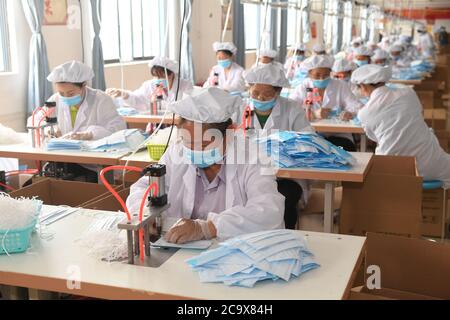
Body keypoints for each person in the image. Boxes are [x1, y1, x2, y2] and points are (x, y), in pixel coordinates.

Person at [126, 88, 285, 243]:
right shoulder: (176, 153)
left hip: (237, 252)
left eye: (203, 145)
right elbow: (144, 187)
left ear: (229, 133)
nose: (194, 151)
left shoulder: (253, 157)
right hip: (180, 251)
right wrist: (144, 214)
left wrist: (208, 228)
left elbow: (269, 210)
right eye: (188, 143)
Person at [234, 64, 314, 229]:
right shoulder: (240, 108)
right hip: (249, 175)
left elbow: (309, 140)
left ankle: (284, 240)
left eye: (267, 94)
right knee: (243, 204)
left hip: (285, 177)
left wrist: (284, 147)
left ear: (278, 92)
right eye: (255, 93)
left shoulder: (291, 109)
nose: (260, 98)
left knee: (281, 201)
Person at [351, 64, 450, 187]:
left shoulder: (364, 113)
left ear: (363, 86)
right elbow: (420, 113)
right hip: (431, 164)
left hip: (393, 168)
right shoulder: (408, 92)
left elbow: (374, 138)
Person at [29, 60, 126, 182]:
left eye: (70, 93)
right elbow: (35, 120)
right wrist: (48, 130)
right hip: (64, 159)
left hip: (93, 163)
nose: (65, 97)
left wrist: (89, 134)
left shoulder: (100, 100)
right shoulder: (56, 99)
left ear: (83, 86)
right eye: (61, 93)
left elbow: (118, 129)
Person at [290, 55, 363, 151]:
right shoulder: (304, 87)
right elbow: (290, 109)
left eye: (325, 75)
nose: (321, 79)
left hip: (338, 135)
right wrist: (313, 114)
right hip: (310, 134)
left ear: (330, 73)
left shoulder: (340, 85)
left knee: (342, 151)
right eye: (317, 75)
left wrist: (350, 113)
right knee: (308, 153)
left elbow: (357, 106)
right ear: (309, 74)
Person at [106, 56, 193, 112]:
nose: (158, 81)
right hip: (155, 125)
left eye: (162, 77)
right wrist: (123, 93)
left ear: (172, 74)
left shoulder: (185, 86)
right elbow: (137, 99)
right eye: (155, 77)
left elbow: (188, 108)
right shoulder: (149, 86)